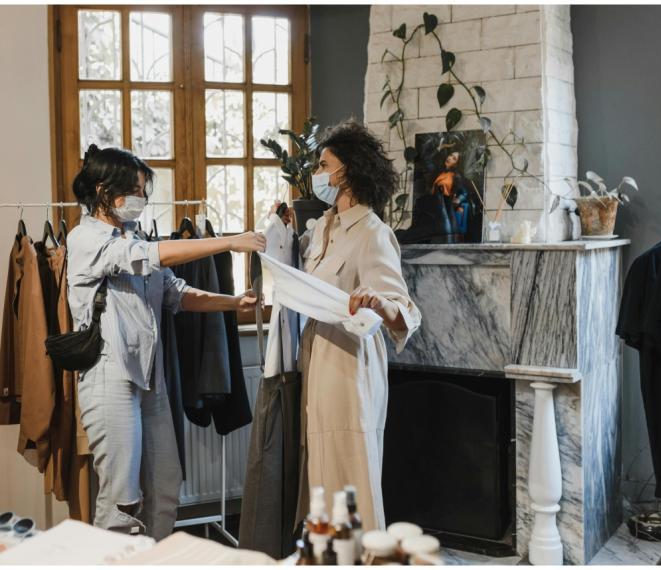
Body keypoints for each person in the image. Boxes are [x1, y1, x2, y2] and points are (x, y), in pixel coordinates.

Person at [67, 144, 265, 538]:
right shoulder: (85, 239)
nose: (142, 199)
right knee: (122, 500)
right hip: (111, 379)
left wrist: (233, 302)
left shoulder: (133, 234)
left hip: (150, 381)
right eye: (137, 190)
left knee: (165, 487)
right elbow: (148, 257)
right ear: (106, 190)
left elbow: (176, 293)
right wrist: (227, 242)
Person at [290, 121, 422, 532]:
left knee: (352, 476)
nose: (318, 173)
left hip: (349, 367)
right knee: (323, 481)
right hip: (317, 361)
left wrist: (380, 303)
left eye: (324, 164)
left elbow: (405, 309)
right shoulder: (322, 228)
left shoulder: (372, 233)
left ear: (346, 171)